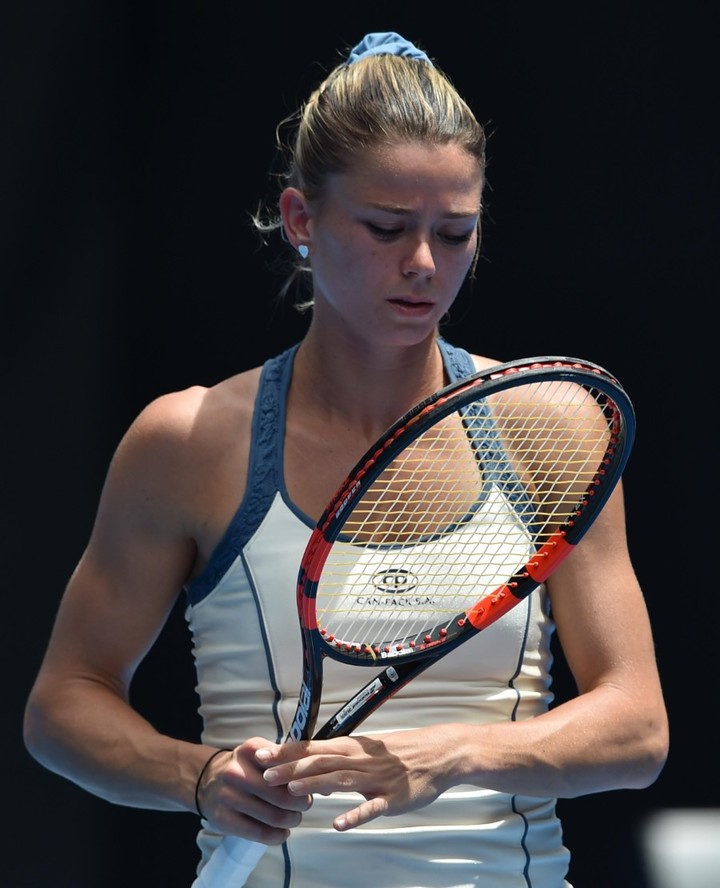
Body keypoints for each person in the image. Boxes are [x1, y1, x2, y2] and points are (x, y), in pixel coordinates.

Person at [23, 31, 668, 888]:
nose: (426, 264)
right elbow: (63, 703)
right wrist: (200, 778)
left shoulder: (551, 431)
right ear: (301, 220)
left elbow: (637, 728)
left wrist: (452, 754)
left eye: (457, 231)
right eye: (387, 228)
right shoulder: (186, 442)